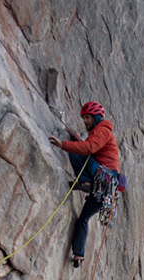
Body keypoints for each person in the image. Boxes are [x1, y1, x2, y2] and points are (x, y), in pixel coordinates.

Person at [49, 102, 120, 267]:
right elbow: (91, 149)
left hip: (102, 177)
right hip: (105, 188)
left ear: (96, 117)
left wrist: (64, 144)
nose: (85, 121)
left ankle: (86, 181)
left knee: (74, 151)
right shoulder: (101, 132)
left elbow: (87, 148)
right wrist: (76, 140)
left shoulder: (103, 130)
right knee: (83, 219)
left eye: (88, 117)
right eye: (84, 118)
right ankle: (78, 255)